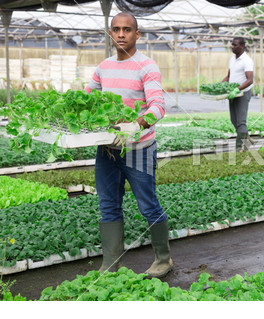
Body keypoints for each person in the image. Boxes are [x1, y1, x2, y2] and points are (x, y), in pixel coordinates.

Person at [85, 12, 172, 278]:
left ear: (137, 34)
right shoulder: (103, 67)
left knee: (148, 204)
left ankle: (164, 259)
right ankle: (111, 262)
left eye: (127, 29)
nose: (121, 34)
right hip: (107, 149)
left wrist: (137, 124)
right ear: (110, 33)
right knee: (108, 204)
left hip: (138, 149)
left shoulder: (147, 66)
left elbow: (158, 106)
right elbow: (87, 101)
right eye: (116, 29)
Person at [222, 37, 254, 151]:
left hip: (242, 94)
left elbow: (250, 80)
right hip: (233, 94)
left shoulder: (247, 60)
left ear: (242, 46)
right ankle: (247, 139)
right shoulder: (232, 59)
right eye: (232, 44)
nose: (232, 46)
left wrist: (237, 89)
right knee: (234, 120)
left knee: (241, 122)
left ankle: (239, 149)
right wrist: (220, 86)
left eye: (235, 45)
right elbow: (228, 76)